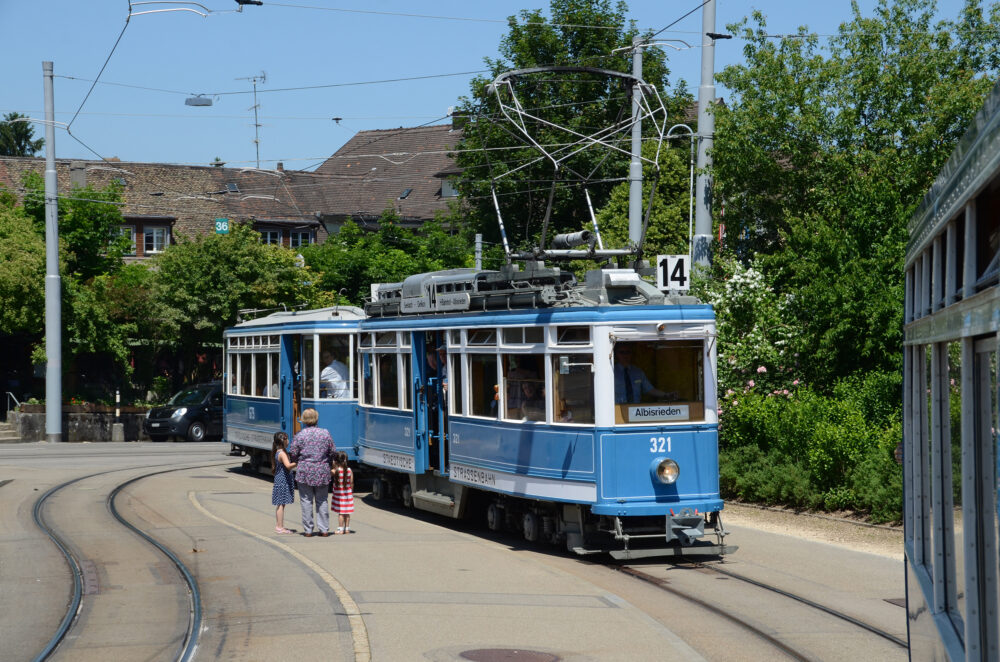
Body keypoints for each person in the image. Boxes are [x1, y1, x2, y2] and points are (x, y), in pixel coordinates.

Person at [288, 408, 336, 537]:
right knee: (322, 500)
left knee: (306, 500)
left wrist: (297, 460)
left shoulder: (300, 435)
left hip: (304, 471)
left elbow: (293, 452)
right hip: (322, 470)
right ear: (316, 419)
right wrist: (328, 462)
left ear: (303, 420)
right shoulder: (325, 433)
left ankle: (308, 530)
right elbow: (332, 451)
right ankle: (324, 529)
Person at [271, 431, 297, 534]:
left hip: (281, 480)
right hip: (283, 481)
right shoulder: (282, 453)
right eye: (287, 439)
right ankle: (280, 527)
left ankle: (279, 526)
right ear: (283, 441)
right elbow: (288, 466)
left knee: (281, 504)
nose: (289, 441)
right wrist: (297, 462)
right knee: (281, 504)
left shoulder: (279, 451)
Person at [330, 451, 354, 534]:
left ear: (336, 461)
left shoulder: (335, 471)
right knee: (347, 513)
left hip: (339, 496)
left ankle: (340, 529)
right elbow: (351, 482)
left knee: (341, 513)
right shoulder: (349, 470)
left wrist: (333, 465)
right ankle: (347, 529)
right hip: (348, 495)